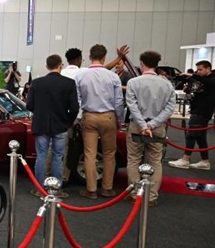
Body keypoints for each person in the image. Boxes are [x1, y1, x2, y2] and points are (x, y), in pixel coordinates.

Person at [125, 51, 176, 207]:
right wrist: (152, 125)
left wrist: (142, 124)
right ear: (157, 64)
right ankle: (152, 196)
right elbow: (170, 108)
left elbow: (131, 106)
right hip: (158, 127)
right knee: (155, 161)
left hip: (136, 127)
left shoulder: (133, 82)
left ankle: (135, 194)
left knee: (133, 159)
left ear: (141, 63)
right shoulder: (167, 84)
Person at [75, 44, 124, 199]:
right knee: (110, 153)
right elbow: (119, 102)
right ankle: (107, 188)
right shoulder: (113, 76)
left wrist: (78, 117)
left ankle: (91, 190)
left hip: (89, 116)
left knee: (90, 153)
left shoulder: (81, 75)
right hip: (108, 117)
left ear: (90, 57)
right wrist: (120, 119)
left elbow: (77, 99)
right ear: (104, 58)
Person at [26, 55, 78, 198]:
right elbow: (74, 108)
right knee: (58, 157)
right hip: (61, 125)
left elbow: (29, 105)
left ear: (46, 66)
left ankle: (39, 188)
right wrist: (68, 122)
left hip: (41, 124)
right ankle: (56, 188)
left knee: (41, 155)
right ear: (60, 65)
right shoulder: (69, 83)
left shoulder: (36, 83)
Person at [169, 60, 214, 170]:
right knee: (200, 137)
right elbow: (196, 95)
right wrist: (188, 93)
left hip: (203, 111)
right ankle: (205, 161)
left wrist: (191, 75)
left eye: (200, 70)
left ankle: (185, 159)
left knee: (191, 135)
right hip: (196, 109)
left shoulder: (212, 79)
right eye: (197, 70)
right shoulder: (200, 81)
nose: (198, 72)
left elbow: (208, 83)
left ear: (208, 69)